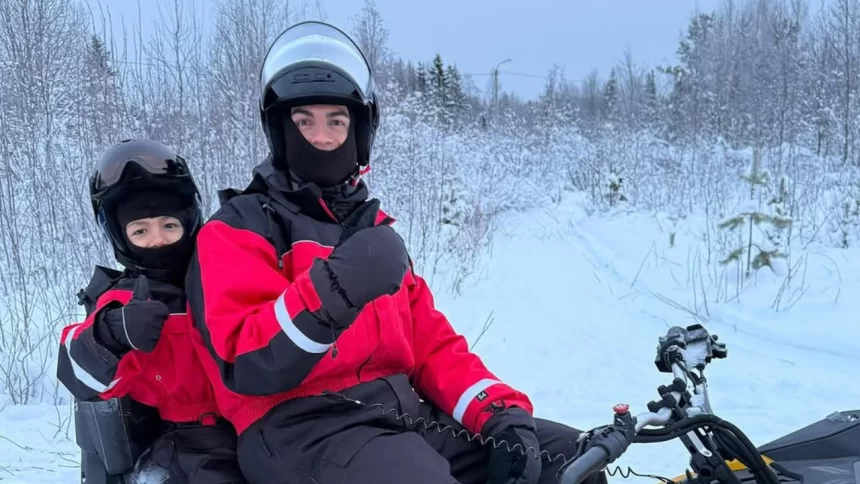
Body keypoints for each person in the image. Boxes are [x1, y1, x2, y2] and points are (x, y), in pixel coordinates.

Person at [185, 20, 609, 484]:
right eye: (304, 121)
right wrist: (333, 290)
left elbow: (432, 345)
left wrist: (498, 412)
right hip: (299, 430)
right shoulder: (239, 228)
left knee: (574, 459)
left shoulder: (372, 232)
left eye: (337, 121)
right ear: (280, 130)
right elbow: (244, 359)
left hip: (399, 417)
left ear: (360, 130)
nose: (323, 137)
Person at [56, 139, 246, 484]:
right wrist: (111, 333)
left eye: (169, 225)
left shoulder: (221, 271)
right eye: (140, 231)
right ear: (120, 236)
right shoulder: (121, 298)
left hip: (252, 421)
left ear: (189, 221)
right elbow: (77, 372)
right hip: (184, 437)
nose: (158, 239)